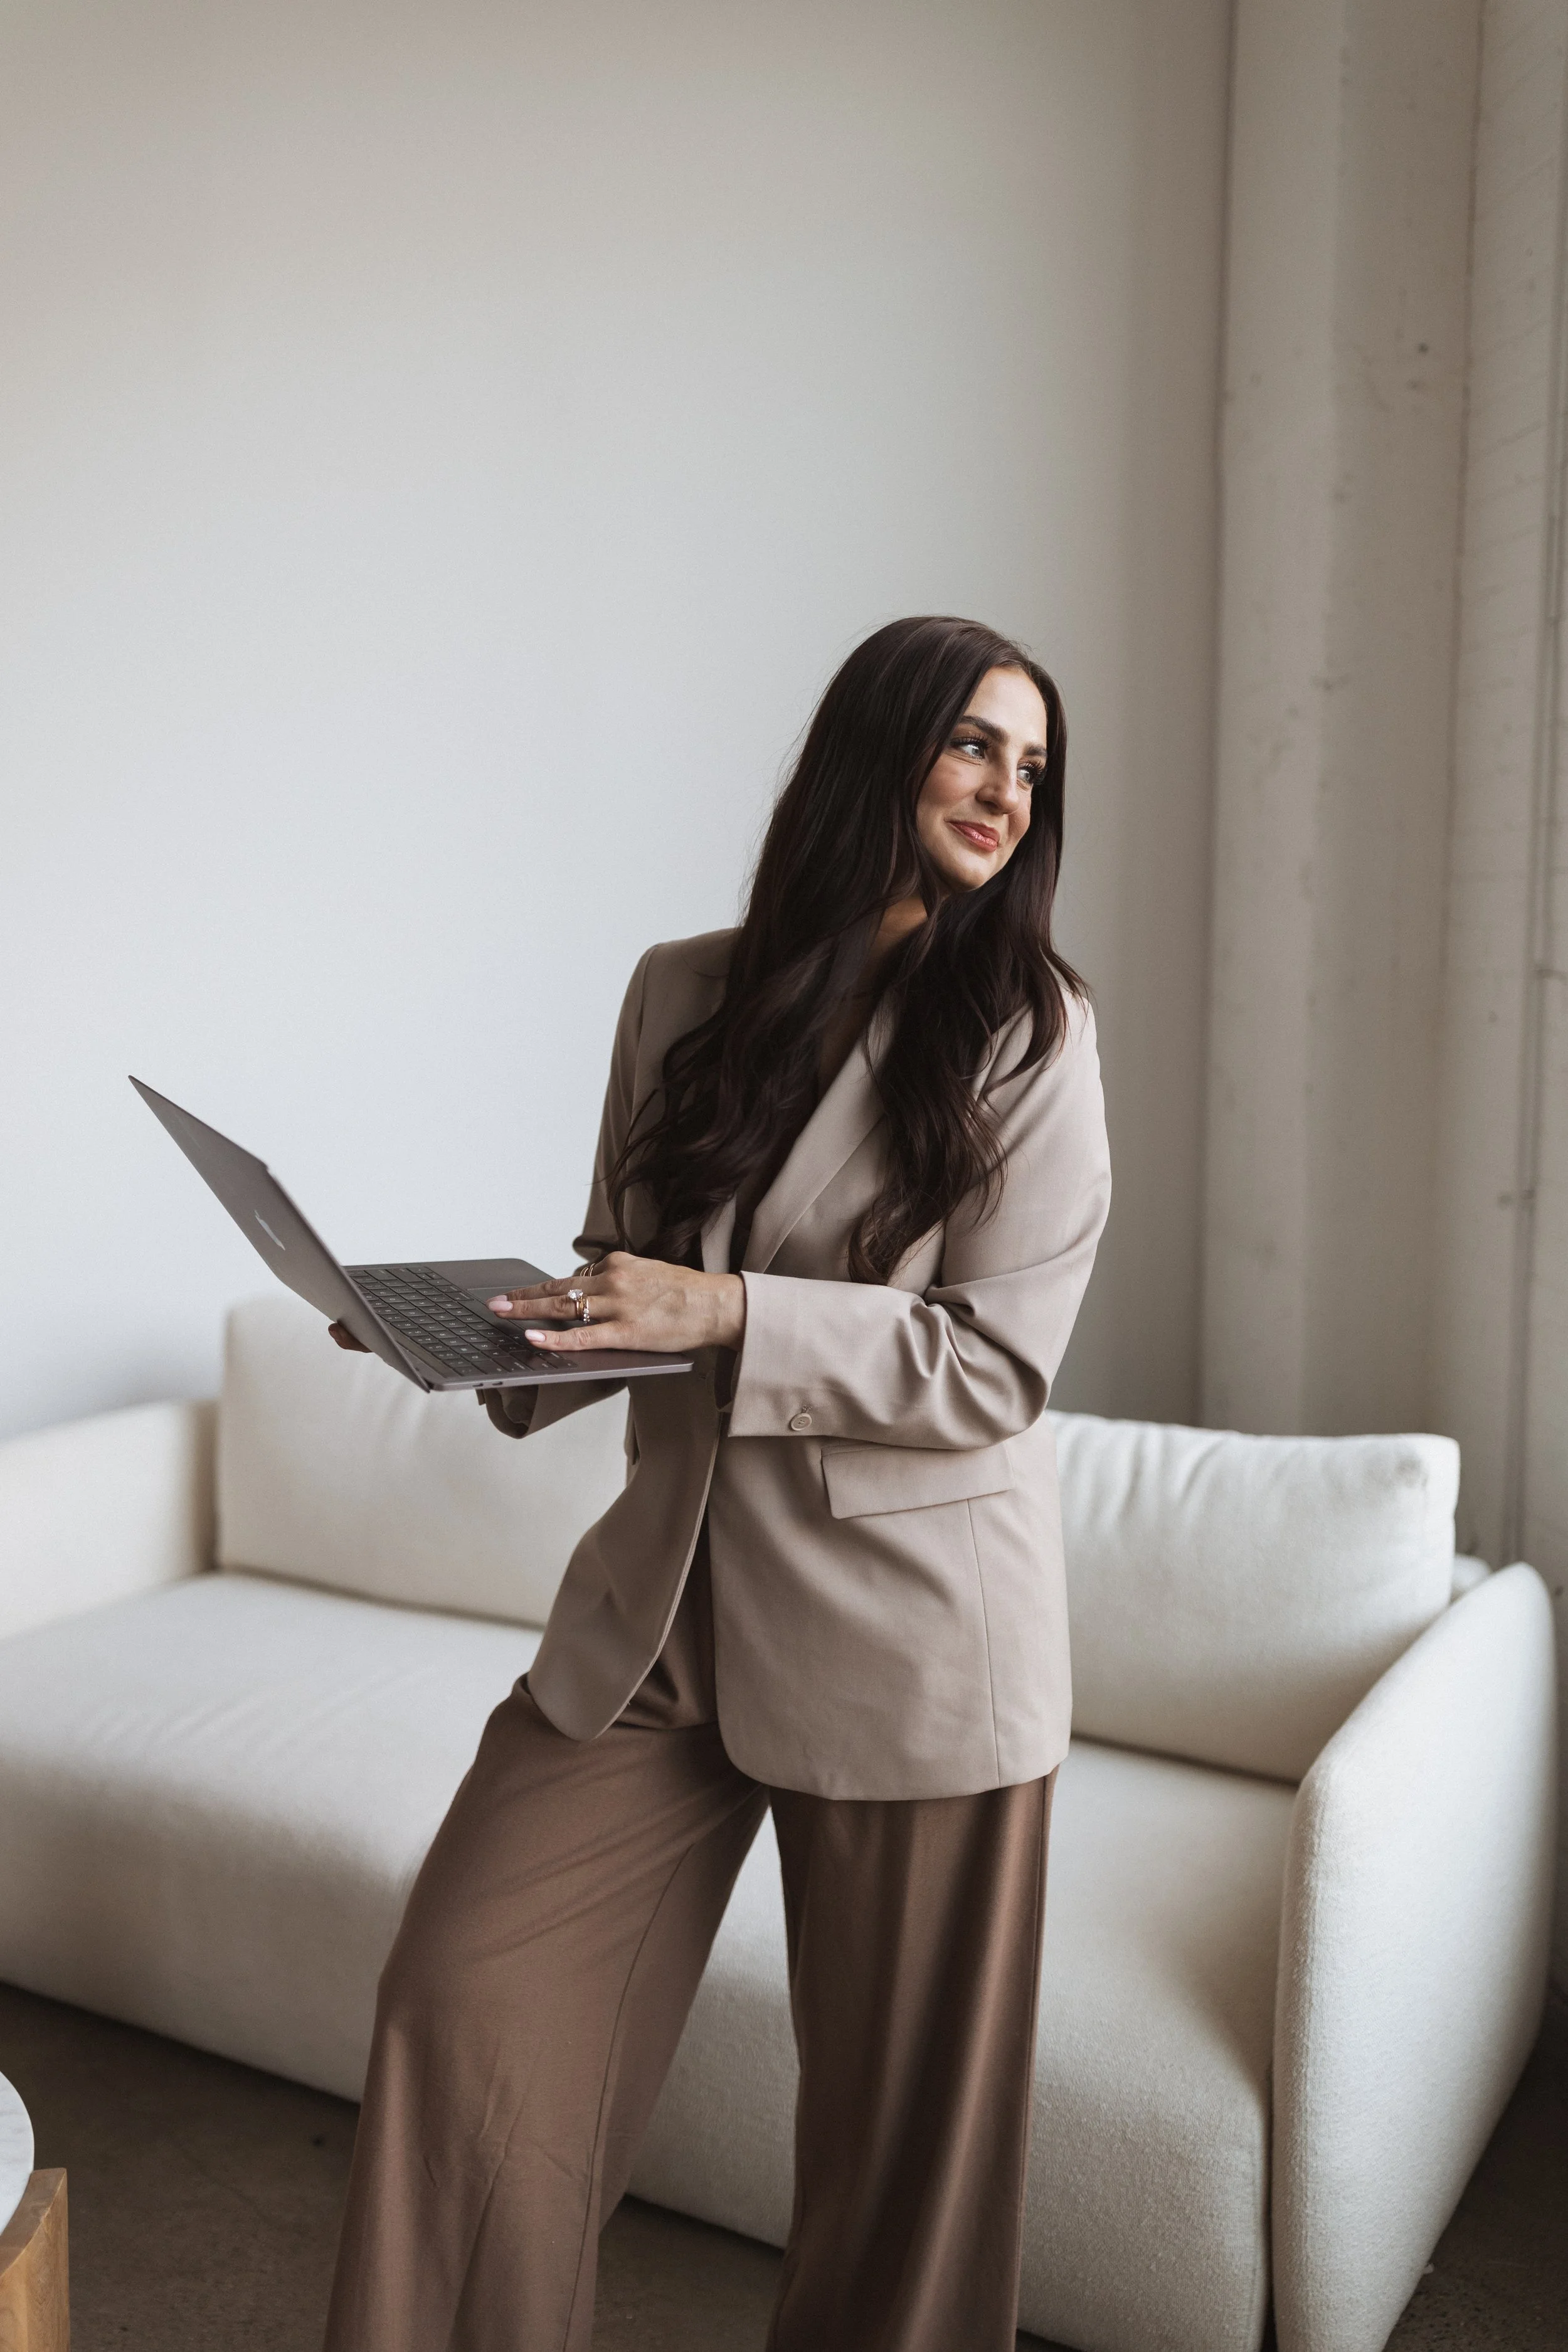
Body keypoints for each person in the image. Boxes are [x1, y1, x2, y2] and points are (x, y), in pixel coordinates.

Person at [321, 614, 1111, 2352]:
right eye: (975, 743)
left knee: (900, 2176)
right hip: (657, 1617)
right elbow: (626, 1278)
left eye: (1030, 766)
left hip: (917, 1642)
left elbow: (991, 1363)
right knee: (464, 2005)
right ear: (877, 745)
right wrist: (458, 1338)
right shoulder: (681, 987)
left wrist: (738, 1309)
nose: (1005, 789)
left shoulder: (1025, 1032)